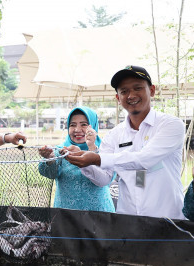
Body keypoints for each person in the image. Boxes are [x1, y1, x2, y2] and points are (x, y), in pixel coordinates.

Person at [66, 65, 185, 219]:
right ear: (118, 98)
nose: (131, 95)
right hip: (128, 222)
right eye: (124, 91)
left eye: (138, 88)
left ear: (152, 90)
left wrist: (97, 158)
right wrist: (83, 162)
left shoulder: (170, 125)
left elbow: (144, 159)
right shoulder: (114, 135)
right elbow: (103, 179)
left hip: (168, 221)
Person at [38, 107, 115, 212]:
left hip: (99, 214)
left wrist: (92, 148)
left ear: (94, 126)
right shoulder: (61, 150)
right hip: (66, 215)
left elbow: (106, 180)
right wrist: (49, 158)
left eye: (83, 125)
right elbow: (49, 174)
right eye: (72, 125)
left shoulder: (105, 149)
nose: (77, 130)